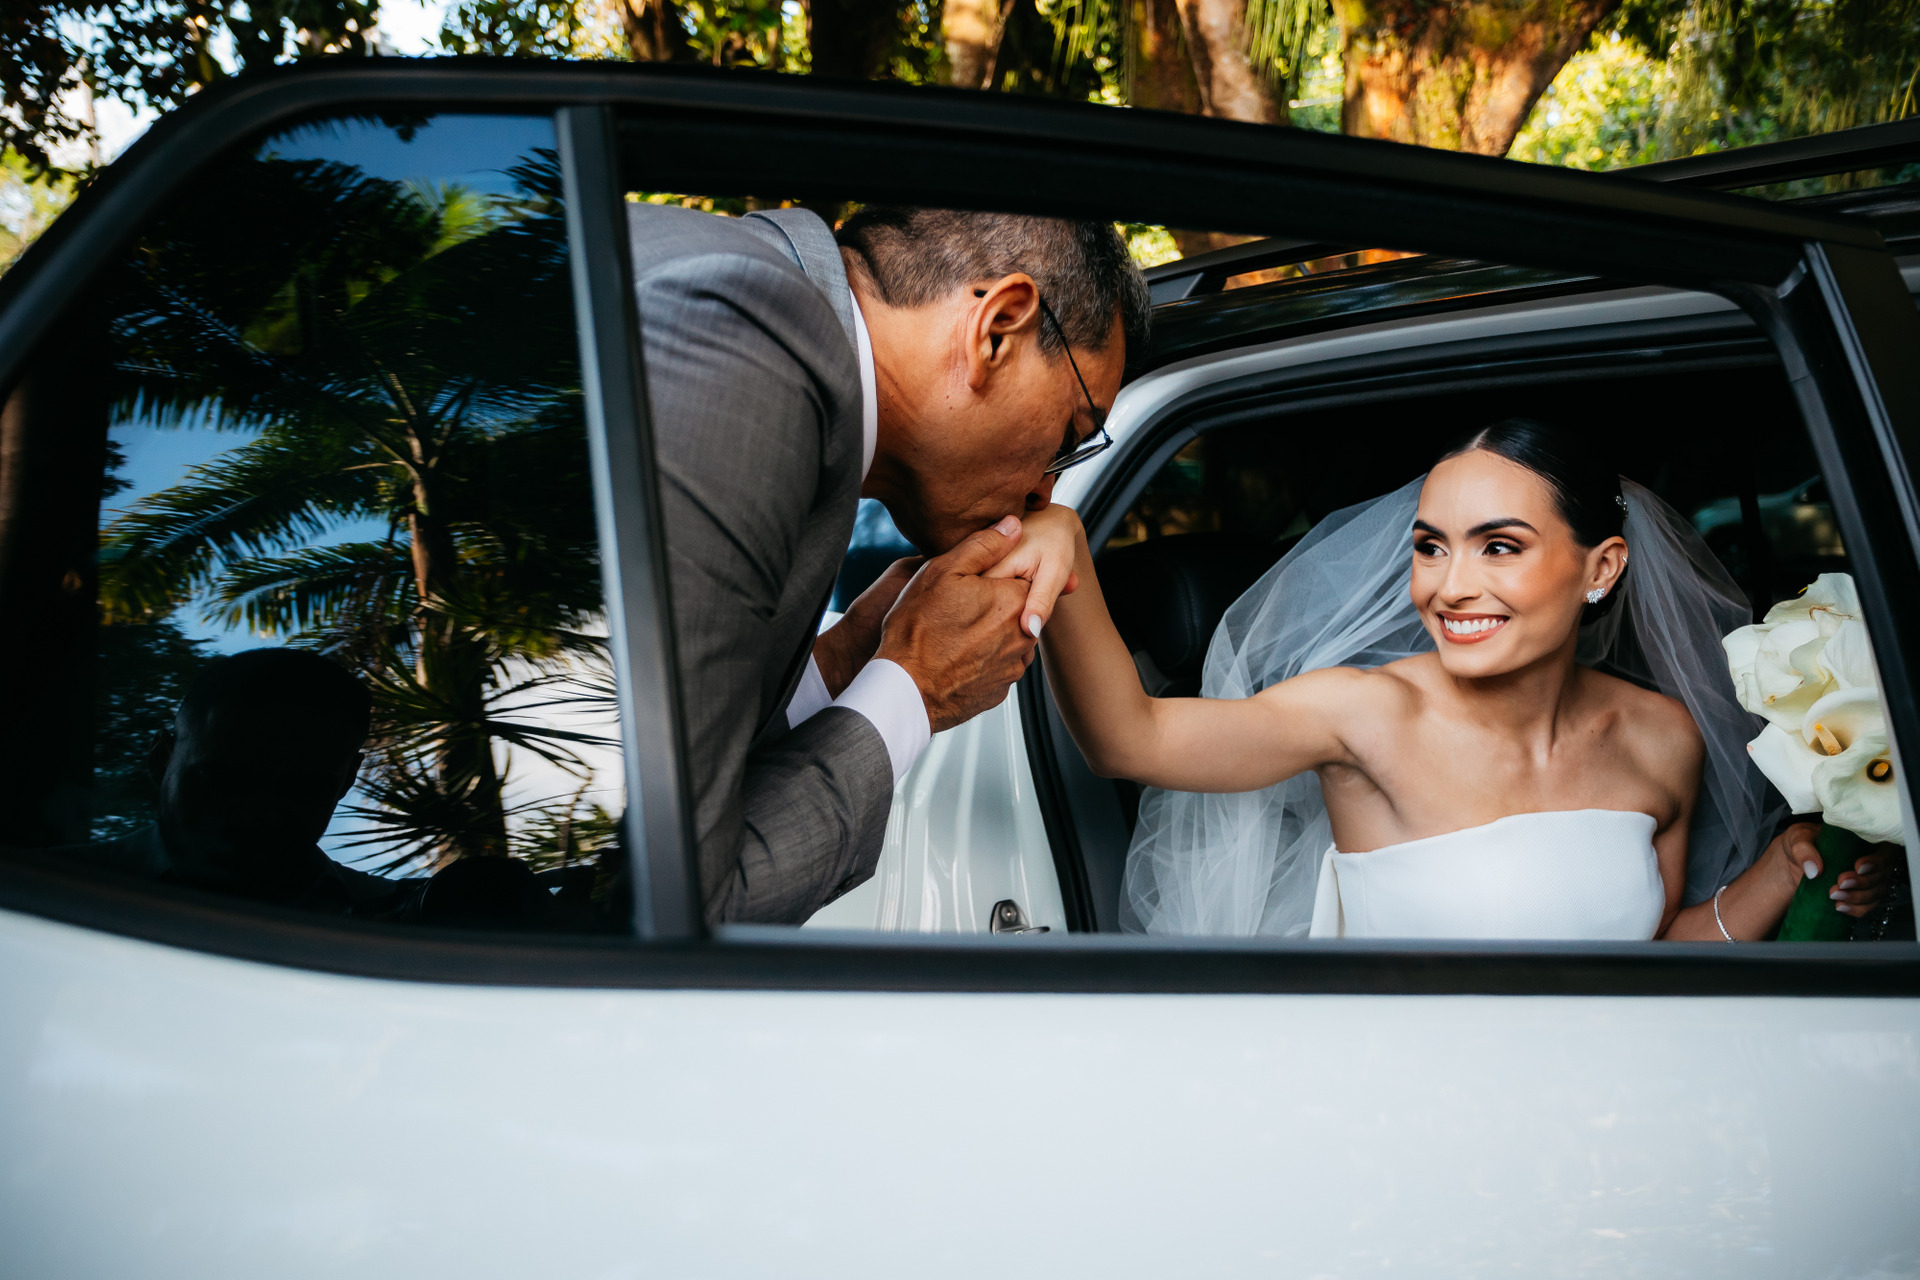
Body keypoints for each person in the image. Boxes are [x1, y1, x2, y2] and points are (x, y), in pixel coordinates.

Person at [995, 419, 1896, 939]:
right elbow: (1132, 739)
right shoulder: (1362, 714)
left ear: (1601, 568)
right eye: (1431, 547)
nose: (1449, 586)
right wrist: (1065, 548)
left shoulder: (1664, 737)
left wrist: (1781, 870)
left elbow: (1650, 953)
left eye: (1499, 547)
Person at [629, 203, 1146, 924]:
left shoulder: (773, 333)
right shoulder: (751, 352)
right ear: (998, 329)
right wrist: (917, 686)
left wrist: (847, 659)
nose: (1045, 492)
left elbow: (660, 763)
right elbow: (682, 905)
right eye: (1070, 433)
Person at [58, 647, 418, 918]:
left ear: (347, 781)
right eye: (223, 781)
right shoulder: (396, 917)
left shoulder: (54, 885)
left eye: (302, 789)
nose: (260, 816)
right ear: (160, 760)